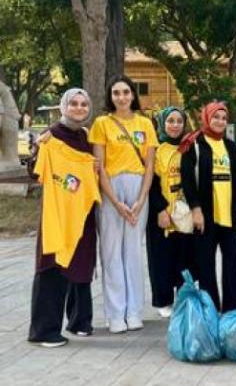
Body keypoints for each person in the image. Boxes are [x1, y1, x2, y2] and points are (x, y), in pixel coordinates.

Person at [28, 88, 98, 347]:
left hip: (82, 212)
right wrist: (38, 149)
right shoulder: (51, 137)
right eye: (74, 104)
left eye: (83, 104)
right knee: (52, 264)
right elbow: (35, 172)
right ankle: (44, 330)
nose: (79, 108)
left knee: (81, 261)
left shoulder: (85, 135)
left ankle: (80, 320)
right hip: (57, 214)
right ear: (63, 106)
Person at [88, 76, 158, 333]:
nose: (122, 97)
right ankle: (115, 313)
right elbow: (100, 166)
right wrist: (115, 202)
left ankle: (134, 310)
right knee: (111, 251)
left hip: (139, 186)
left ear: (133, 95)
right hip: (111, 189)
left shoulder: (145, 124)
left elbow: (149, 164)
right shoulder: (102, 124)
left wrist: (141, 200)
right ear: (111, 96)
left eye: (126, 92)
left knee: (133, 252)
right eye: (116, 93)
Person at [179, 101, 236, 312]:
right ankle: (210, 310)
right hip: (205, 216)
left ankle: (235, 310)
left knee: (233, 264)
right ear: (207, 118)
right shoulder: (194, 144)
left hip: (229, 215)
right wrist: (196, 209)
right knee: (206, 265)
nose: (220, 121)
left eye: (224, 118)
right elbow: (188, 179)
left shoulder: (230, 146)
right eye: (216, 117)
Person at [146, 106, 192, 319]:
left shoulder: (189, 148)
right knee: (161, 258)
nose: (175, 125)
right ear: (163, 123)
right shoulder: (156, 149)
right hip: (162, 212)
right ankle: (163, 300)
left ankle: (183, 296)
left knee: (183, 257)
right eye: (170, 121)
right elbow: (151, 183)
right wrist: (160, 209)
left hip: (184, 212)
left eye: (179, 121)